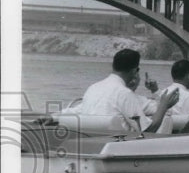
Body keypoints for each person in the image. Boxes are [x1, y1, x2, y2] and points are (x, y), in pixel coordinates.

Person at [43, 48, 177, 133]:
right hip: (120, 147)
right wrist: (164, 105)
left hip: (92, 142)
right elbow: (147, 130)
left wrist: (54, 116)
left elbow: (78, 110)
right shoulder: (124, 93)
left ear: (114, 66)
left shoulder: (93, 88)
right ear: (134, 71)